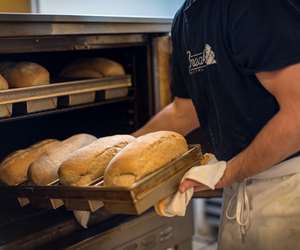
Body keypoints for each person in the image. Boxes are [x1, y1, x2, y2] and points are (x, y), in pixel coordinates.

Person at [133, 0, 300, 249]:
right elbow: (185, 110)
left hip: (290, 189)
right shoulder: (184, 19)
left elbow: (297, 115)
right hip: (242, 188)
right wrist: (124, 147)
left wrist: (225, 173)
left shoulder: (255, 7)